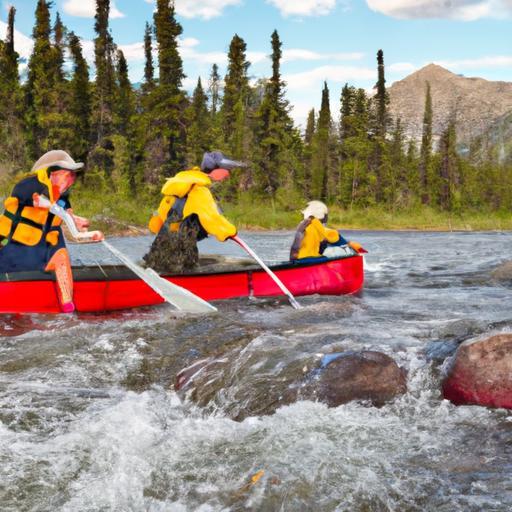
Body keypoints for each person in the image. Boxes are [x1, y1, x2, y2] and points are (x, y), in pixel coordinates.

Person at [0, 150, 104, 312]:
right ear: (53, 173)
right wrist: (72, 217)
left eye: (73, 176)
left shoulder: (62, 199)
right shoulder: (27, 186)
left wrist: (88, 235)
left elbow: (71, 233)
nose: (71, 180)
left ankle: (67, 308)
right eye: (68, 175)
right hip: (13, 253)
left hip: (43, 255)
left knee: (61, 254)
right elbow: (39, 201)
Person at [144, 151, 244, 273]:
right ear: (216, 171)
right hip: (181, 250)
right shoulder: (200, 191)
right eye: (226, 171)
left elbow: (157, 221)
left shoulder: (179, 189)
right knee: (186, 267)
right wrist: (229, 232)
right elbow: (211, 218)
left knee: (158, 269)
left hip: (159, 249)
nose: (227, 175)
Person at [289, 200, 364, 261]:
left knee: (325, 245)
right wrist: (353, 246)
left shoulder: (302, 226)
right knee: (338, 249)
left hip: (300, 258)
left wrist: (292, 261)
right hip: (310, 259)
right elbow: (339, 240)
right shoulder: (320, 229)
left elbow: (295, 247)